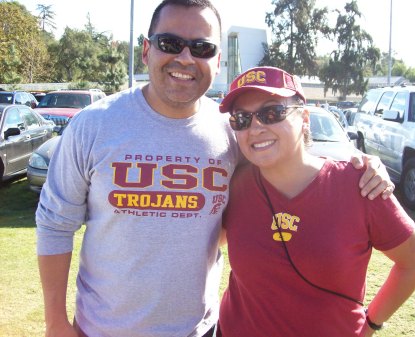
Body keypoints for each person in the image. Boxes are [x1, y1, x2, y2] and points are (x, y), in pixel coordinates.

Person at [36, 1, 393, 336]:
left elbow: (287, 167)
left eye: (202, 48)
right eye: (170, 43)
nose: (185, 58)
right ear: (147, 50)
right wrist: (55, 323)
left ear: (218, 61)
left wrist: (359, 167)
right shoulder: (93, 124)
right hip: (102, 329)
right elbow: (55, 223)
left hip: (200, 330)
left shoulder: (233, 131)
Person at [217, 66, 415, 337]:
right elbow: (208, 241)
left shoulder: (360, 184)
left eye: (272, 113)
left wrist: (372, 322)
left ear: (304, 119)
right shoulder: (233, 184)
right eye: (241, 119)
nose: (256, 127)